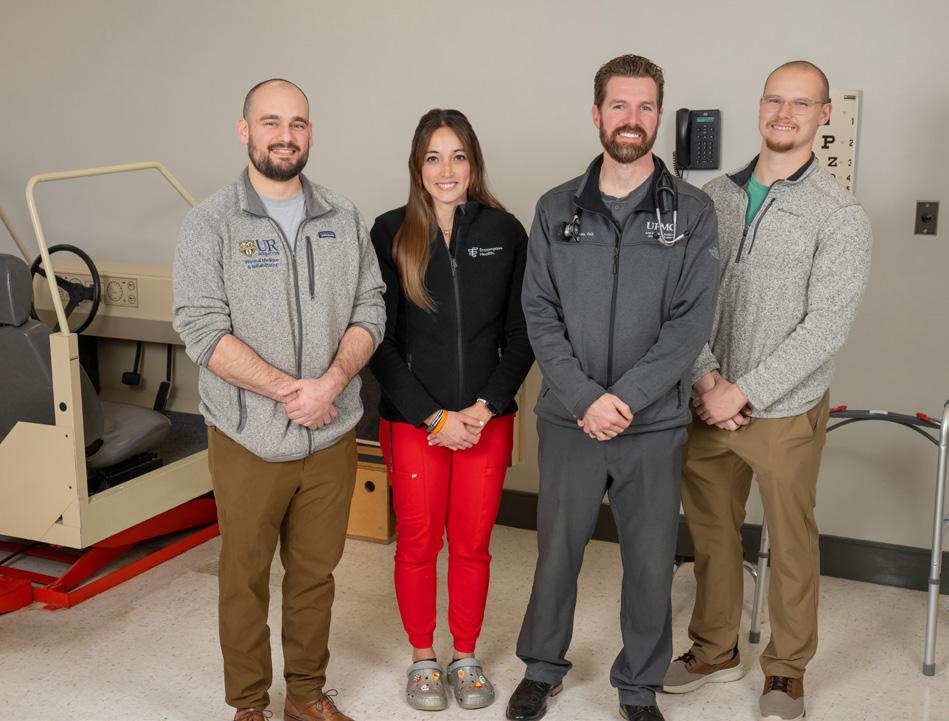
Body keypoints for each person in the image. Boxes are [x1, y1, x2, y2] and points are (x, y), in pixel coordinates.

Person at [507, 55, 720, 721]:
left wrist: (624, 399)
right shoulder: (555, 209)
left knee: (650, 562)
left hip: (650, 424)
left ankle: (638, 685)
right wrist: (584, 398)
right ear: (596, 113)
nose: (632, 119)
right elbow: (539, 312)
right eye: (619, 106)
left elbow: (690, 324)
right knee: (556, 554)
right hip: (570, 418)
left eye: (644, 106)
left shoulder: (692, 213)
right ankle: (541, 668)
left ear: (659, 115)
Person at [662, 61, 872, 721]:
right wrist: (706, 378)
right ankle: (714, 648)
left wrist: (743, 391)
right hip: (706, 399)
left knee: (791, 543)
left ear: (823, 115)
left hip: (784, 410)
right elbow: (683, 299)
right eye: (774, 100)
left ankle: (785, 671)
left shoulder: (839, 214)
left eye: (800, 103)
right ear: (759, 106)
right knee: (711, 536)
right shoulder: (712, 198)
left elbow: (825, 329)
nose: (784, 114)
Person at [172, 78, 385, 721]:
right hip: (248, 438)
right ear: (245, 131)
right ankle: (248, 705)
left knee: (315, 574)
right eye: (270, 122)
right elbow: (201, 329)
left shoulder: (342, 216)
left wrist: (330, 384)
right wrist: (289, 391)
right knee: (243, 577)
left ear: (310, 133)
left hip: (331, 433)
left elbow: (370, 308)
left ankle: (305, 695)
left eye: (297, 123)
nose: (284, 136)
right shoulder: (210, 222)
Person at [369, 108, 534, 712]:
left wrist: (485, 408)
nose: (447, 170)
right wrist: (435, 417)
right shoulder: (390, 231)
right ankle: (423, 659)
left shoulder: (506, 231)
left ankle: (465, 656)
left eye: (458, 156)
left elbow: (523, 333)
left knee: (471, 545)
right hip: (415, 421)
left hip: (487, 421)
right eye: (434, 157)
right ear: (417, 165)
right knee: (418, 544)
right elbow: (378, 340)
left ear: (474, 163)